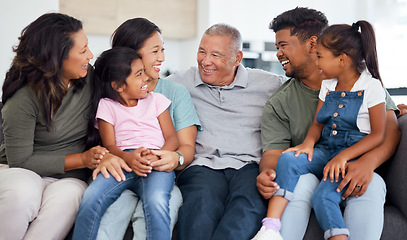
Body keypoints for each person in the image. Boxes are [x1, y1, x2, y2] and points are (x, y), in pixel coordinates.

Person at [257, 7, 401, 240]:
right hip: (315, 168)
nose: (278, 54)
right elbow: (274, 154)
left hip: (358, 163)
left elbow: (390, 131)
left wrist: (367, 163)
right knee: (300, 183)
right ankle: (271, 232)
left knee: (371, 184)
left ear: (314, 45)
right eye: (277, 48)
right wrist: (267, 174)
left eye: (283, 45)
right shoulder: (280, 102)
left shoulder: (366, 83)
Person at [0, 13, 120, 240]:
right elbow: (20, 160)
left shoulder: (88, 79)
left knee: (69, 198)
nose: (90, 55)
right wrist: (84, 159)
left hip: (68, 178)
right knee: (23, 193)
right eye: (82, 50)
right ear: (57, 58)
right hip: (21, 170)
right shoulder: (23, 96)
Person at [165, 23, 285, 240]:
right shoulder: (178, 83)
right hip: (202, 164)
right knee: (202, 202)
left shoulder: (270, 84)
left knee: (248, 205)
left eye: (216, 55)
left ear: (237, 58)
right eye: (202, 51)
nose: (205, 61)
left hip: (248, 165)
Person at [96, 18, 201, 240]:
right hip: (120, 175)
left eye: (162, 50)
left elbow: (187, 146)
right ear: (131, 56)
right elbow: (106, 144)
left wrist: (176, 158)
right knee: (112, 215)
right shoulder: (108, 94)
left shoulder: (174, 92)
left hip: (159, 177)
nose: (162, 57)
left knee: (156, 211)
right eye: (155, 51)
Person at [73, 47, 179, 240]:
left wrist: (158, 155)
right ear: (118, 86)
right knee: (90, 198)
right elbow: (110, 146)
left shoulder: (157, 100)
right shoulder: (107, 105)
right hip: (121, 162)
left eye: (144, 72)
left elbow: (172, 138)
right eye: (139, 74)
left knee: (156, 201)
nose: (146, 78)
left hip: (155, 161)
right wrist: (128, 157)